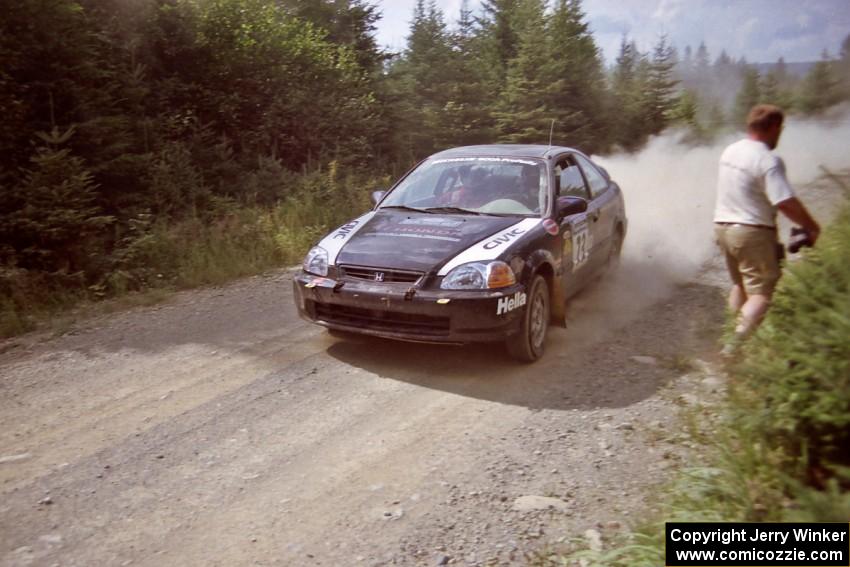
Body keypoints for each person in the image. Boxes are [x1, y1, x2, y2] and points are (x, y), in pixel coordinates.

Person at [714, 104, 820, 349]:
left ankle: (728, 332)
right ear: (773, 127)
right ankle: (733, 347)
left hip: (722, 226)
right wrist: (811, 226)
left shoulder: (731, 150)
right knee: (761, 293)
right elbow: (784, 202)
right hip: (752, 231)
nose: (780, 133)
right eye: (780, 128)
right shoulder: (767, 159)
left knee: (739, 285)